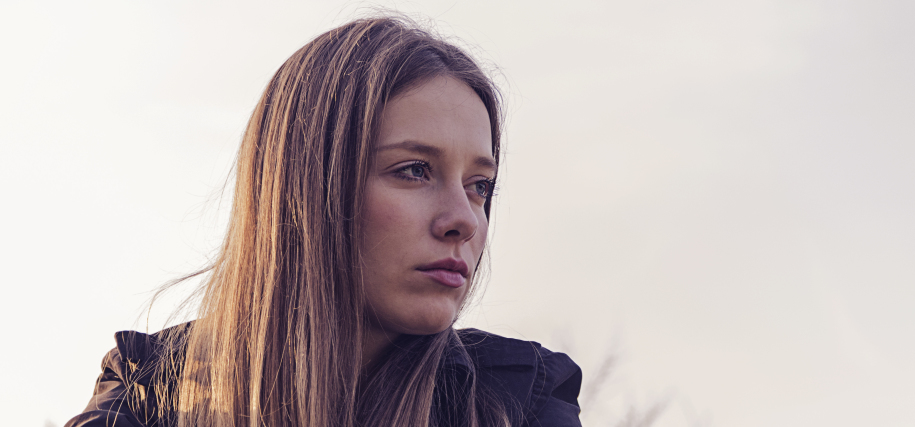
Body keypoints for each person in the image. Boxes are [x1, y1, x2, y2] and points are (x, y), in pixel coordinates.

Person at [65, 16, 582, 427]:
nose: (464, 221)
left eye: (479, 186)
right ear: (307, 187)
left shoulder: (520, 400)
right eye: (415, 171)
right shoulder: (148, 392)